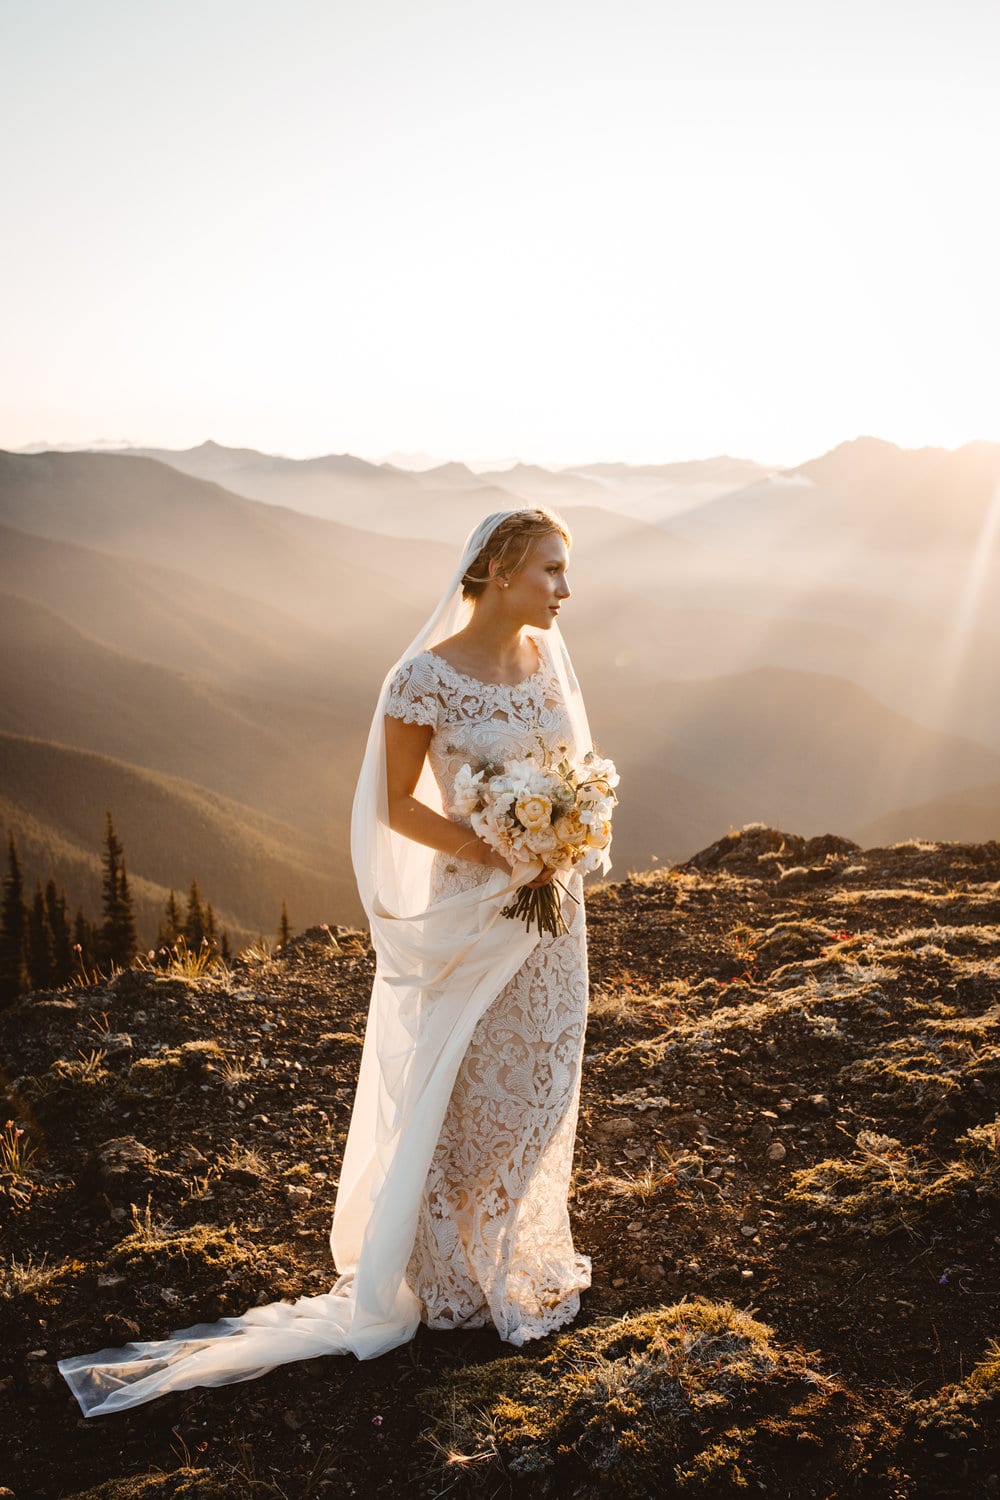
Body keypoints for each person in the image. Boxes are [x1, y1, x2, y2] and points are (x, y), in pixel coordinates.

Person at [58, 507, 610, 1416]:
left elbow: (568, 765)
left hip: (552, 912)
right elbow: (395, 805)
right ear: (502, 569)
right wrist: (498, 847)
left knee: (542, 1079)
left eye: (565, 572)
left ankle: (515, 1244)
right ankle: (448, 1268)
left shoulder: (548, 661)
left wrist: (566, 827)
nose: (564, 589)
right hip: (473, 901)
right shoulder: (420, 679)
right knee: (463, 1078)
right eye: (552, 570)